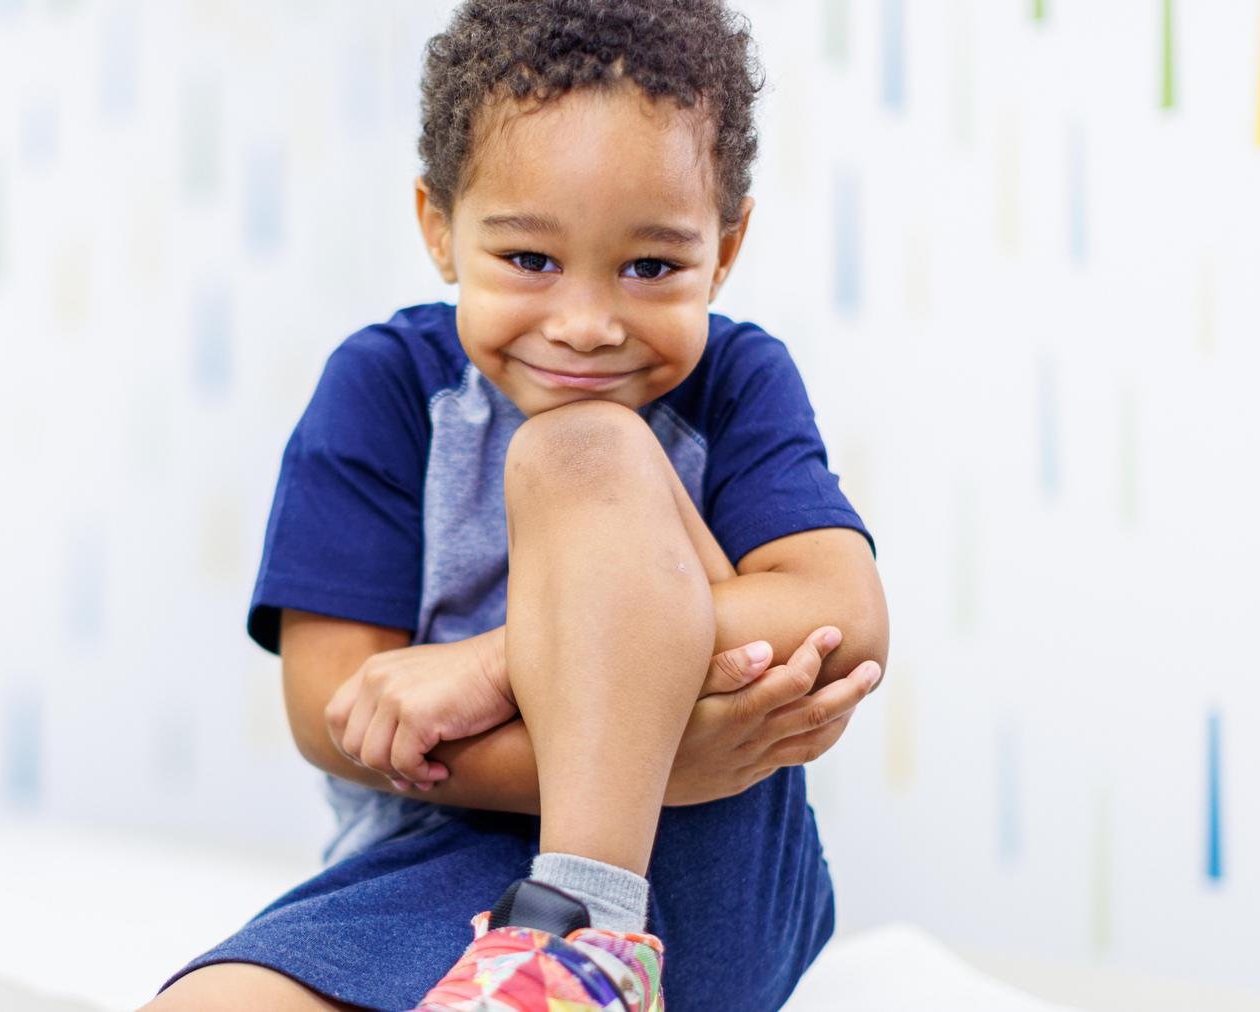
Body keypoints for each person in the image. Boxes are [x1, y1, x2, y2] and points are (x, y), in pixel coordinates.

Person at [150, 1, 888, 1008]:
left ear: (727, 247)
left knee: (581, 450)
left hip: (709, 853)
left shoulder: (739, 381)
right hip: (443, 861)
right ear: (438, 227)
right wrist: (656, 746)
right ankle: (558, 952)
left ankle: (587, 935)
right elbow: (341, 711)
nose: (586, 325)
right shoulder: (386, 389)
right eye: (531, 260)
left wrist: (496, 661)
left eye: (652, 266)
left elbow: (838, 619)